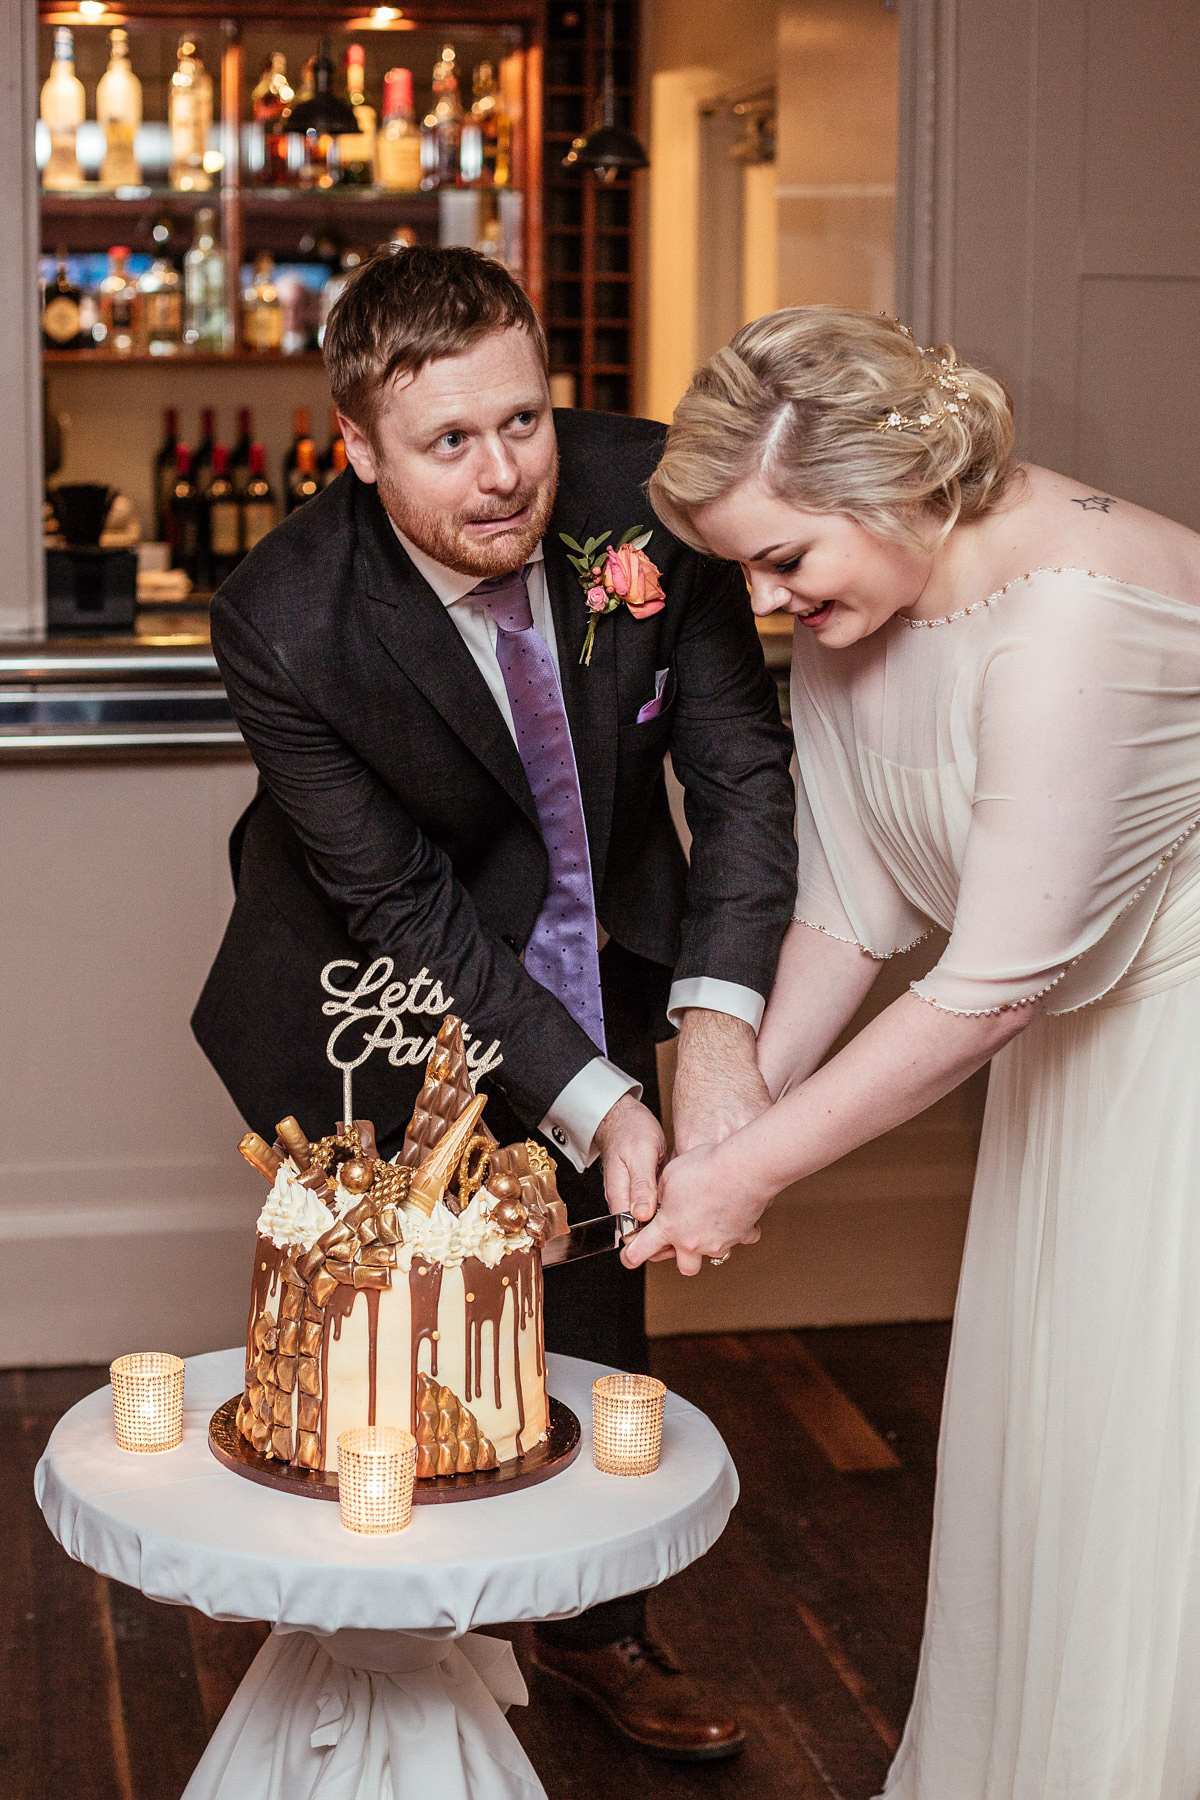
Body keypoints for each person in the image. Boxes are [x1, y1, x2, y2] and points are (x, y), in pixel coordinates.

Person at [192, 246, 797, 1760]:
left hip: (609, 936)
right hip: (369, 982)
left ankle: (601, 1638)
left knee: (592, 1274)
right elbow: (401, 905)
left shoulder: (654, 496)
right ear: (356, 449)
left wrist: (710, 1037)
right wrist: (592, 1095)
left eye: (522, 421)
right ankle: (381, 1649)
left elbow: (737, 772)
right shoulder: (282, 614)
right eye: (449, 440)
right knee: (400, 1302)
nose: (505, 472)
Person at [632, 305, 1200, 1798]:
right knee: (1056, 1466)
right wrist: (719, 1118)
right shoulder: (859, 605)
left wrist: (747, 1172)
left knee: (1150, 1473)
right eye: (742, 565)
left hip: (1177, 1065)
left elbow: (993, 986)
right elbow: (853, 903)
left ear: (889, 496)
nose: (761, 598)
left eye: (782, 558)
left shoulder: (1070, 613)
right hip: (1080, 1067)